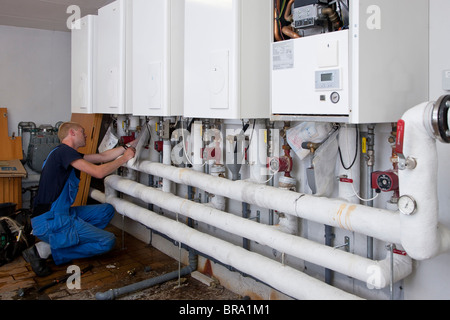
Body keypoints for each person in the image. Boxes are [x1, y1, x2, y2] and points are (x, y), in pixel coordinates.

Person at [22, 121, 137, 276]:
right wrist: (124, 159)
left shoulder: (63, 154)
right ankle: (46, 250)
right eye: (82, 131)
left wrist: (126, 147)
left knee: (106, 210)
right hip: (51, 221)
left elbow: (102, 156)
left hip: (59, 215)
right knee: (107, 241)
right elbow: (98, 172)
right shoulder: (64, 152)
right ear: (72, 133)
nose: (86, 135)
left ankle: (69, 238)